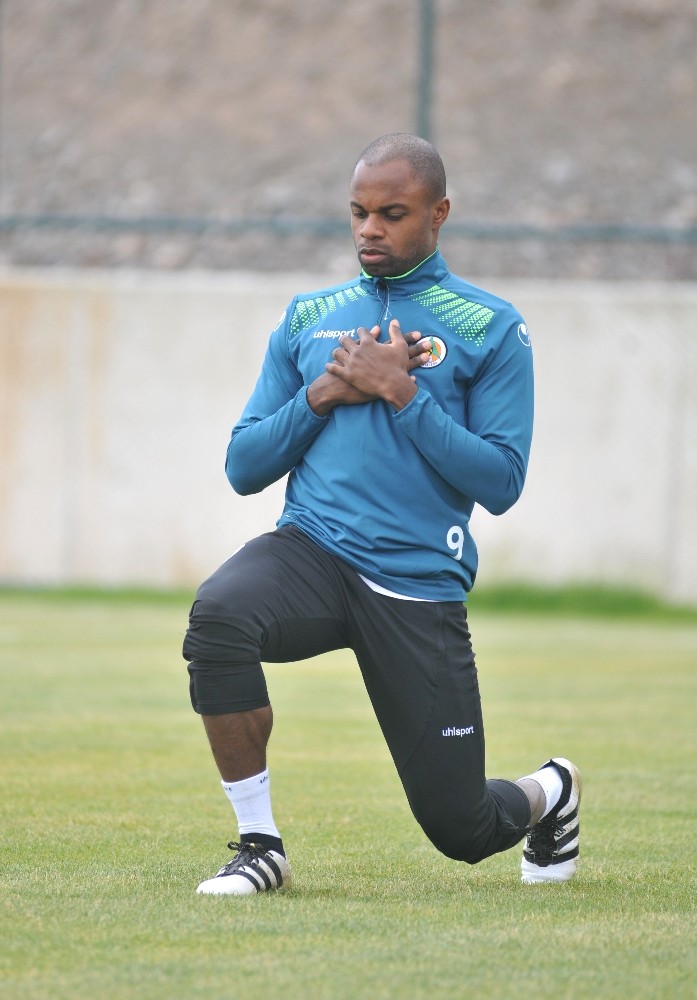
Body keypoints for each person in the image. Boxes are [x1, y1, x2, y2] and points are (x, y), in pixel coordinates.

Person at [183, 133, 581, 895]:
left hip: (414, 580)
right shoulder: (308, 317)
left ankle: (551, 790)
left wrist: (402, 393)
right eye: (358, 213)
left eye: (391, 214)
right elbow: (243, 467)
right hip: (312, 550)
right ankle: (260, 844)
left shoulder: (489, 326)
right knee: (219, 618)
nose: (369, 229)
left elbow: (501, 481)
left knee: (462, 829)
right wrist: (323, 394)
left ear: (438, 213)